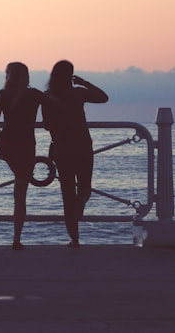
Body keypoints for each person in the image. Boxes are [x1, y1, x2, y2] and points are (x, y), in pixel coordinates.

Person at [43, 59, 109, 247]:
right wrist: (84, 83)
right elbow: (103, 97)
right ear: (70, 76)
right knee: (84, 189)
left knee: (67, 194)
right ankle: (80, 205)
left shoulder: (47, 96)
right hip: (82, 146)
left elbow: (47, 125)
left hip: (62, 148)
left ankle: (74, 238)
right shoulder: (77, 93)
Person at [0, 61, 49, 250]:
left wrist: (5, 136)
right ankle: (16, 239)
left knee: (19, 185)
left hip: (6, 146)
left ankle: (16, 239)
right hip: (26, 146)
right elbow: (54, 107)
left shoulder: (3, 94)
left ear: (8, 76)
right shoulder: (35, 94)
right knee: (20, 193)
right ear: (27, 76)